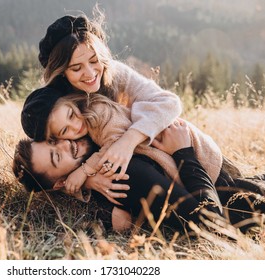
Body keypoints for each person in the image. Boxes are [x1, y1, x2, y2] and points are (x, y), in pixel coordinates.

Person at [12, 126, 265, 233]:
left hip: (255, 186)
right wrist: (182, 152)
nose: (66, 143)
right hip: (264, 210)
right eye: (57, 158)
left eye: (53, 141)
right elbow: (210, 223)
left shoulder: (104, 143)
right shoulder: (123, 175)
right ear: (60, 183)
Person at [21, 8, 183, 182]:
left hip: (155, 150)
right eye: (76, 68)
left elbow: (170, 103)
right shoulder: (54, 103)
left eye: (93, 60)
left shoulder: (113, 72)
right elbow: (47, 163)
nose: (90, 73)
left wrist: (127, 141)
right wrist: (90, 181)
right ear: (61, 72)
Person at [38, 87, 222, 196]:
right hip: (179, 157)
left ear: (73, 104)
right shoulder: (87, 127)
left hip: (192, 152)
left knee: (229, 196)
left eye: (71, 115)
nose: (75, 126)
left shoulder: (98, 111)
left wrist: (84, 170)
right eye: (65, 130)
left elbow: (116, 145)